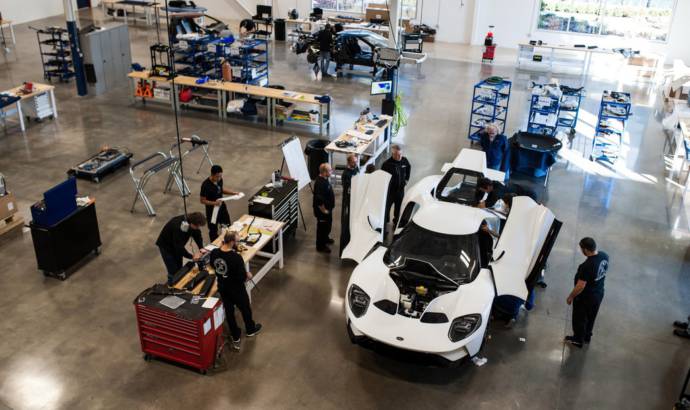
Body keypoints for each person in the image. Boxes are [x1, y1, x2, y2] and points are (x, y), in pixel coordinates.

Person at [210, 231, 262, 348]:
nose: (238, 243)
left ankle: (235, 335)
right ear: (232, 242)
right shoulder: (236, 258)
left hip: (223, 287)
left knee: (229, 312)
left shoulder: (214, 253)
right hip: (236, 289)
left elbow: (214, 266)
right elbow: (241, 277)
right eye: (237, 241)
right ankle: (250, 329)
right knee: (245, 308)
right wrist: (248, 275)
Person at [565, 237, 608, 348]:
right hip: (598, 294)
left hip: (586, 298)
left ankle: (578, 340)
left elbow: (580, 286)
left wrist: (570, 297)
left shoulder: (587, 266)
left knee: (579, 319)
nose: (581, 251)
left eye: (581, 249)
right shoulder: (604, 255)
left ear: (586, 250)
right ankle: (587, 337)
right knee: (591, 317)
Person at [155, 212, 206, 285]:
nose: (198, 228)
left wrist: (201, 248)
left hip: (176, 245)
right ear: (192, 223)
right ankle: (171, 286)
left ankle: (179, 283)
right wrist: (192, 256)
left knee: (180, 269)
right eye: (197, 226)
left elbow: (197, 235)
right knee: (173, 272)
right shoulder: (178, 227)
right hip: (166, 247)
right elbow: (179, 247)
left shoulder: (192, 222)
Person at [200, 165, 240, 242]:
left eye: (220, 176)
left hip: (221, 207)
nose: (219, 178)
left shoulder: (219, 180)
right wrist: (214, 203)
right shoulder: (205, 185)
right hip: (212, 211)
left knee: (227, 225)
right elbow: (202, 200)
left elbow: (221, 190)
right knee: (213, 230)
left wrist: (233, 193)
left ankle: (228, 242)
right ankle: (215, 245)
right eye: (217, 177)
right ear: (212, 175)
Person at [381, 145, 411, 228]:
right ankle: (384, 222)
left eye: (400, 154)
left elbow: (409, 168)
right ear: (393, 154)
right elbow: (382, 177)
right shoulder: (387, 164)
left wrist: (406, 180)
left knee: (399, 207)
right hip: (390, 191)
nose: (400, 156)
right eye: (397, 155)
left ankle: (396, 221)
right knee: (386, 208)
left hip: (400, 190)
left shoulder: (404, 161)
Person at [340, 154, 359, 255]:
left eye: (356, 161)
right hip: (348, 200)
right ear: (349, 163)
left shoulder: (356, 169)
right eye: (354, 162)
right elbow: (347, 187)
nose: (356, 163)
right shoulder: (346, 174)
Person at [313, 163, 335, 253]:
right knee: (322, 228)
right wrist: (324, 210)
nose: (332, 171)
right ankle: (320, 246)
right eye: (330, 170)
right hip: (322, 212)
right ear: (324, 172)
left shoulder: (324, 179)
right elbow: (318, 200)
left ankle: (325, 238)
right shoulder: (320, 183)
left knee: (327, 226)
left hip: (327, 210)